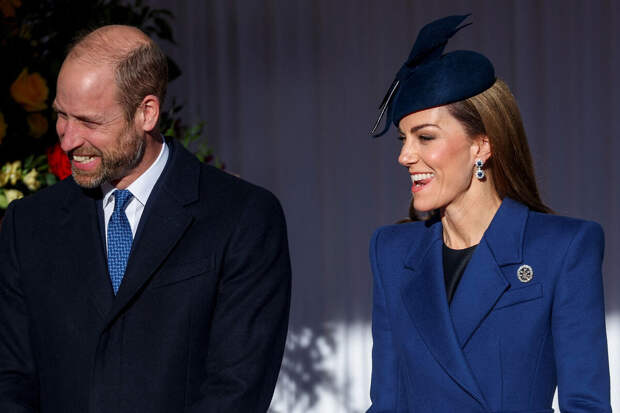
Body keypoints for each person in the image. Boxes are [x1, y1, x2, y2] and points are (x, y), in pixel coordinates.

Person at [0, 25, 291, 413]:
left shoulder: (242, 217)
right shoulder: (28, 224)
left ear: (146, 112)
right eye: (61, 115)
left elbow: (237, 387)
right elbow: (9, 378)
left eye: (89, 122)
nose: (67, 139)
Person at [367, 15, 611, 413]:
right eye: (403, 139)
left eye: (425, 137)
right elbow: (386, 403)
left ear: (481, 146)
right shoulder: (392, 252)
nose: (405, 156)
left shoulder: (563, 247)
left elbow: (586, 404)